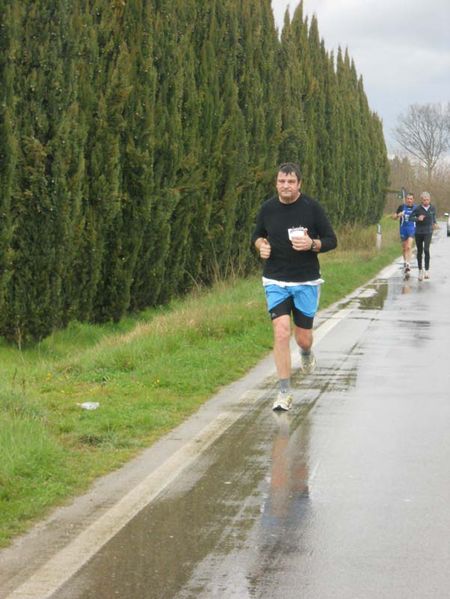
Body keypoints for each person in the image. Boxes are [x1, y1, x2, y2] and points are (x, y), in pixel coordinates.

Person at [252, 162, 337, 411]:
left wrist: (313, 244)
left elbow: (332, 240)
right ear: (276, 183)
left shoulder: (312, 208)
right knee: (280, 332)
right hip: (275, 280)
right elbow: (256, 235)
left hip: (306, 281)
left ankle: (307, 353)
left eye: (290, 182)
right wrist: (261, 246)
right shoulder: (267, 208)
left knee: (303, 338)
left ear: (299, 183)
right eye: (281, 181)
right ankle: (284, 392)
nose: (285, 186)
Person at [411, 191, 437, 281]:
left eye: (427, 200)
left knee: (426, 249)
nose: (426, 201)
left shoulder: (432, 208)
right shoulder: (417, 208)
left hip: (428, 232)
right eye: (424, 200)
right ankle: (420, 270)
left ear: (430, 200)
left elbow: (434, 217)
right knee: (419, 251)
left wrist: (434, 223)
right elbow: (410, 218)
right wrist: (418, 218)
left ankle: (427, 270)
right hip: (418, 232)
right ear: (421, 200)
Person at [392, 192, 416, 278]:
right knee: (404, 248)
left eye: (411, 199)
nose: (409, 200)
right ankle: (405, 262)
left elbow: (421, 217)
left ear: (413, 200)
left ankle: (408, 264)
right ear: (406, 199)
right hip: (403, 229)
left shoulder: (416, 208)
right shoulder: (401, 207)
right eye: (408, 199)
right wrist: (398, 215)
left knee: (409, 247)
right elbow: (394, 217)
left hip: (412, 229)